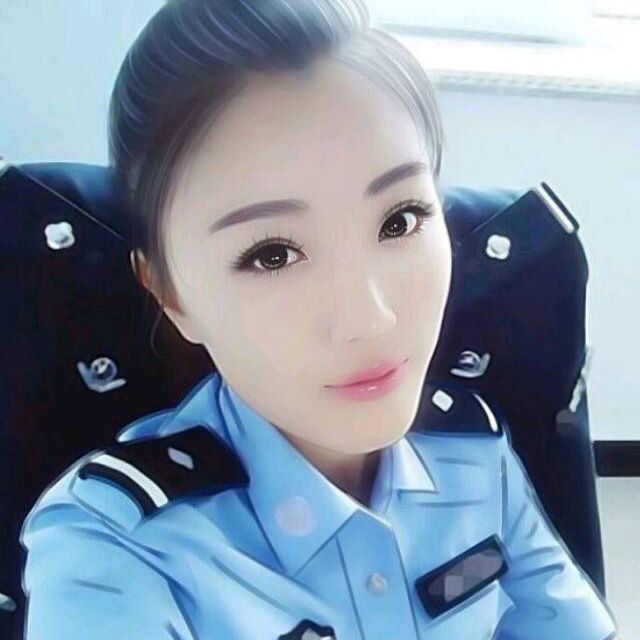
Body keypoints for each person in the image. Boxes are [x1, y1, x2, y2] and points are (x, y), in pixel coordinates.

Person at [19, 0, 621, 638]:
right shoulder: (115, 549)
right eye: (273, 255)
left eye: (400, 220)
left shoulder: (472, 459)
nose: (370, 318)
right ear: (170, 294)